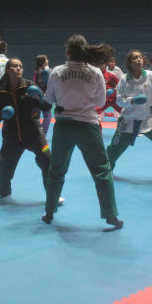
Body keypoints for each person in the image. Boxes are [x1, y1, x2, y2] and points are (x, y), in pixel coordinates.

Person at [42, 34, 123, 230]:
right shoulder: (95, 72)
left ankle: (49, 212)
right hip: (88, 124)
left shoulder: (57, 72)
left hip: (64, 126)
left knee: (56, 170)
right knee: (102, 171)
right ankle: (111, 215)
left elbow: (49, 100)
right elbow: (101, 103)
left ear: (68, 52)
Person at [0, 58, 61, 201]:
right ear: (8, 70)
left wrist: (40, 98)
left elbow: (46, 107)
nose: (18, 69)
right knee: (3, 167)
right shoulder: (1, 91)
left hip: (34, 133)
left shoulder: (29, 86)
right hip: (12, 136)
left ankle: (52, 194)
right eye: (15, 66)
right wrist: (2, 114)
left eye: (20, 66)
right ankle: (4, 188)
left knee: (47, 161)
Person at [106, 50, 152, 180]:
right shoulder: (124, 79)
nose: (138, 60)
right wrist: (132, 100)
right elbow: (119, 101)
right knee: (113, 149)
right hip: (128, 119)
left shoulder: (151, 76)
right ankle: (106, 171)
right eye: (135, 58)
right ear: (129, 63)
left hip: (148, 117)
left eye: (140, 58)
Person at [96, 57, 122, 122]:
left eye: (102, 64)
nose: (101, 65)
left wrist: (114, 89)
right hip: (103, 99)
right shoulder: (95, 75)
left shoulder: (110, 75)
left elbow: (120, 84)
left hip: (113, 98)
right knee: (94, 113)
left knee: (125, 112)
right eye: (99, 64)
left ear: (105, 64)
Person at [33, 54, 52, 136]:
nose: (48, 60)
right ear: (44, 62)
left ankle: (36, 134)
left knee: (36, 117)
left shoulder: (36, 71)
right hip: (43, 97)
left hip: (36, 96)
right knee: (47, 117)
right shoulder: (44, 72)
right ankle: (42, 135)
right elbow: (48, 84)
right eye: (46, 59)